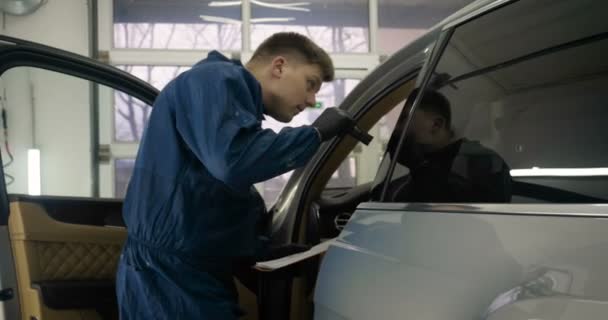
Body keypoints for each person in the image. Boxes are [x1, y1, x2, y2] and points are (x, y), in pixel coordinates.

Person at [116, 32, 355, 319]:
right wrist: (316, 133)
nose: (313, 100)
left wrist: (260, 252)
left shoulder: (228, 106)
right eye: (310, 84)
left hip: (184, 273)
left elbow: (211, 198)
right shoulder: (217, 79)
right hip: (169, 278)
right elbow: (233, 162)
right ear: (279, 66)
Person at [387, 89, 512, 202]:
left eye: (403, 119)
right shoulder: (427, 165)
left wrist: (420, 170)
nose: (396, 129)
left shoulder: (483, 164)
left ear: (436, 125)